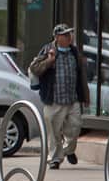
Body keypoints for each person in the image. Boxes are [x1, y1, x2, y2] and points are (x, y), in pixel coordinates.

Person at [29, 24, 90, 169]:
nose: (70, 37)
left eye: (70, 34)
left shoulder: (74, 52)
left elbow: (81, 76)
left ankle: (67, 150)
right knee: (54, 132)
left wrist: (85, 96)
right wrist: (49, 61)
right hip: (54, 100)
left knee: (75, 128)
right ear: (57, 37)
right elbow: (34, 69)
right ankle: (55, 159)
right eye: (65, 35)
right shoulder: (48, 50)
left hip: (72, 99)